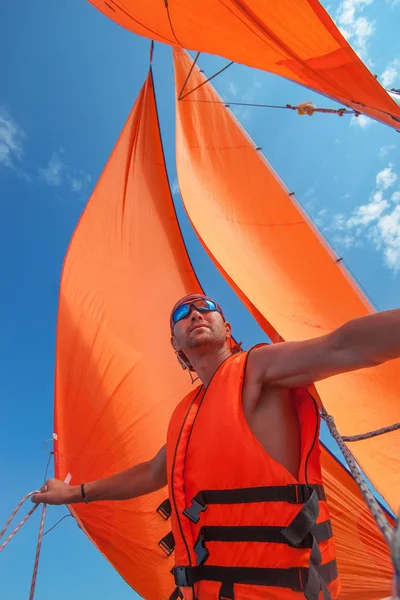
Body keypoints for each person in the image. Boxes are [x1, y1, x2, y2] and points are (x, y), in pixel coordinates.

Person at [32, 294, 400, 600]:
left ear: (226, 328)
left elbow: (345, 346)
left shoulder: (259, 367)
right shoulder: (186, 415)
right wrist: (72, 493)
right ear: (175, 344)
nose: (194, 313)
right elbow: (151, 472)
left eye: (206, 307)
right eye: (181, 313)